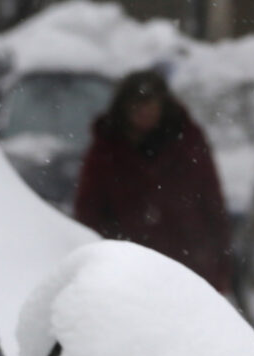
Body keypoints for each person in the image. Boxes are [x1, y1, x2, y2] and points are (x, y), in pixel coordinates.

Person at [71, 70, 232, 293]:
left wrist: (219, 264)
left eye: (150, 104)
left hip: (187, 266)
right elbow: (89, 210)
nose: (144, 112)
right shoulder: (106, 149)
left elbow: (211, 201)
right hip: (127, 268)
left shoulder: (187, 141)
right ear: (124, 109)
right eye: (136, 106)